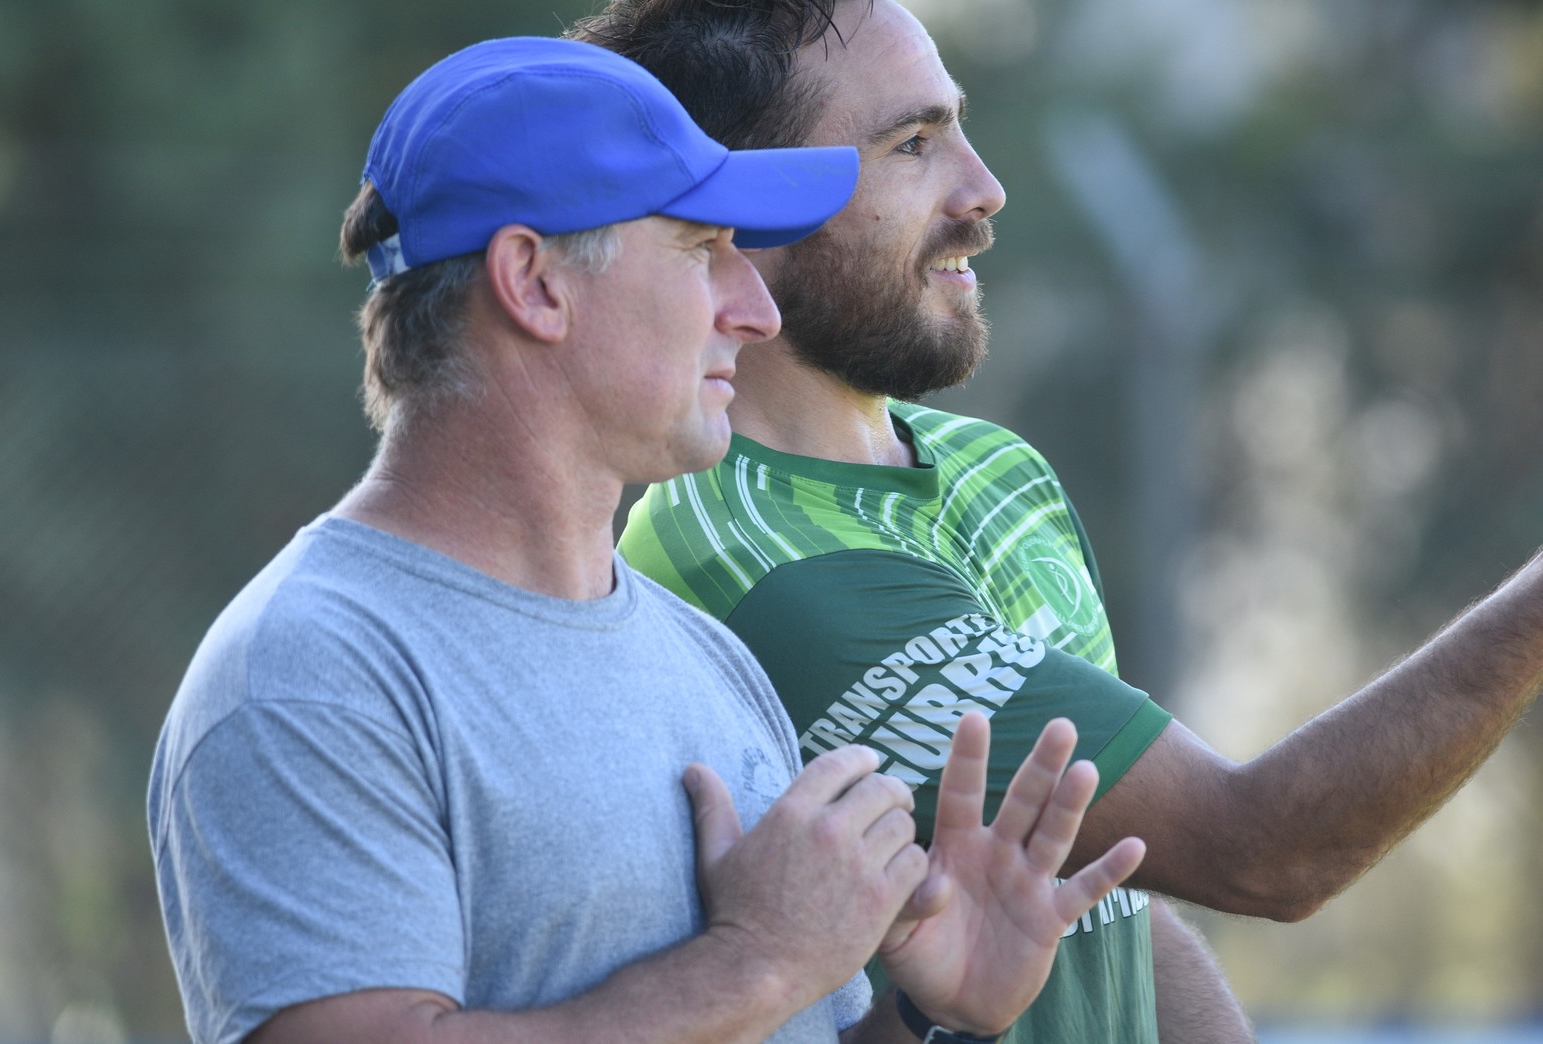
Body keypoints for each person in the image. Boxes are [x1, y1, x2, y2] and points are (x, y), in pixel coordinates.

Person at [146, 36, 1149, 1044]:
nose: (753, 311)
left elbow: (765, 1023)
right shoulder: (310, 671)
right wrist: (753, 960)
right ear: (534, 282)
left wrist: (931, 1014)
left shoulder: (705, 660)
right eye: (702, 248)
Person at [579, 0, 1543, 1041]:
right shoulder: (771, 571)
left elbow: (1117, 895)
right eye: (912, 144)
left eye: (956, 128)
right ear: (747, 203)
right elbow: (1258, 849)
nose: (983, 191)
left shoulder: (996, 469)